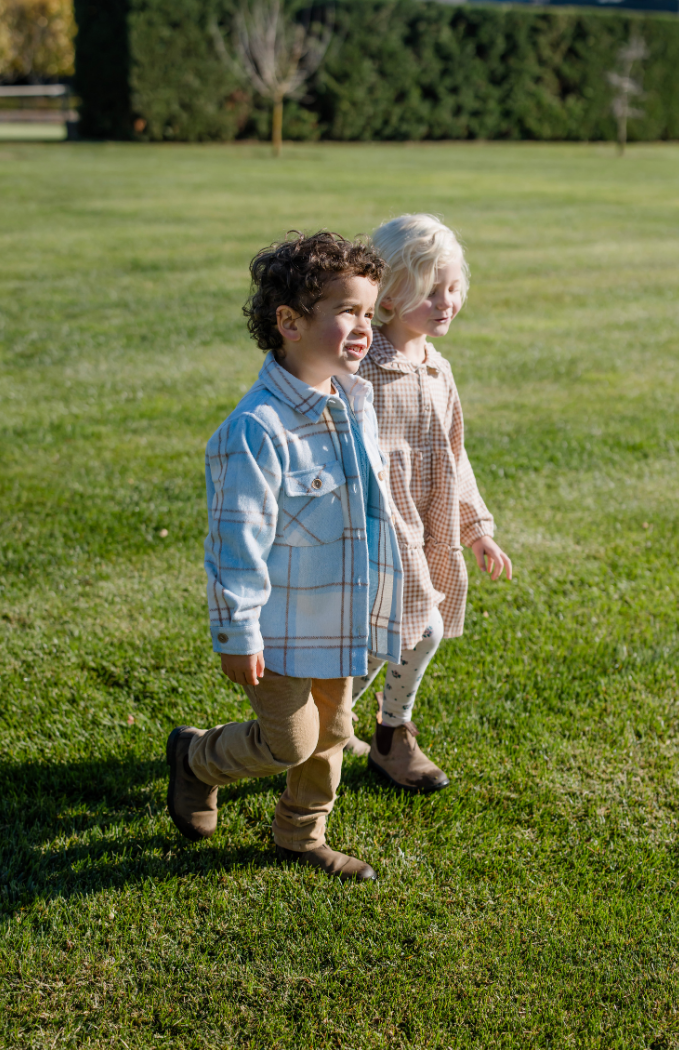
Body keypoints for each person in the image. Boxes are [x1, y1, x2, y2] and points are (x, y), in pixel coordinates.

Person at [165, 231, 403, 881]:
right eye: (346, 311)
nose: (363, 326)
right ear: (290, 323)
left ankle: (301, 834)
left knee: (331, 736)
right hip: (277, 626)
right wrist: (237, 632)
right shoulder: (257, 430)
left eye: (369, 311)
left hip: (339, 612)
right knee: (288, 741)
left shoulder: (353, 401)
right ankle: (197, 759)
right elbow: (236, 543)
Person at [346, 214, 512, 791]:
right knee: (390, 635)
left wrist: (477, 527)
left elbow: (453, 457)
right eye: (430, 291)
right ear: (388, 295)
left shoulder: (437, 368)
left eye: (454, 288)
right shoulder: (360, 370)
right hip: (376, 533)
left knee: (412, 629)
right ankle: (329, 723)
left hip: (425, 531)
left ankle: (383, 733)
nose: (447, 302)